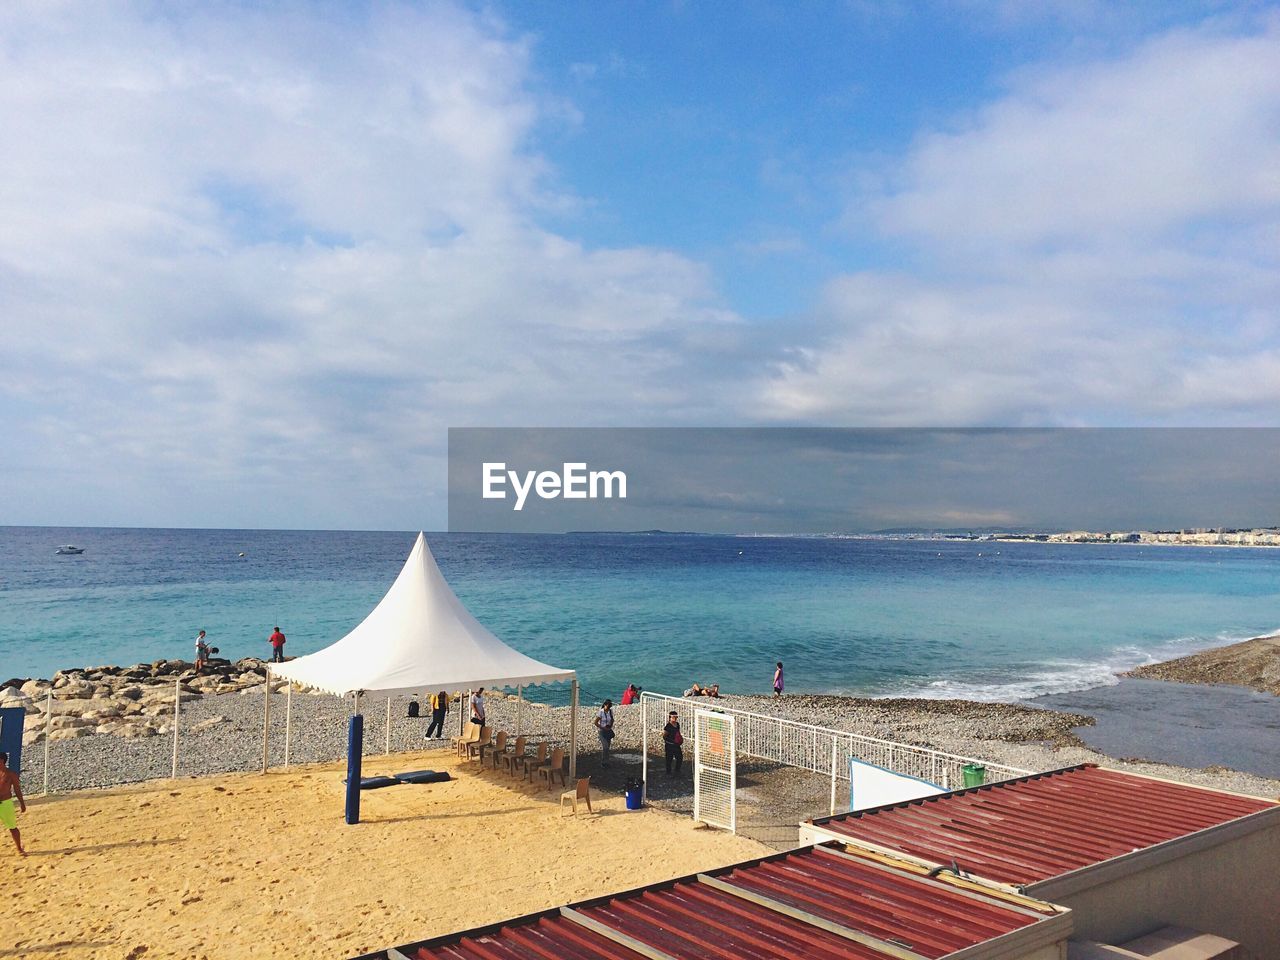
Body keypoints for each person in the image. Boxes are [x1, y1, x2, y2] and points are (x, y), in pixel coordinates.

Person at [0, 752, 26, 857]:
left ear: (3, 761)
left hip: (6, 803)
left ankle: (19, 848)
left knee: (12, 827)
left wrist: (22, 803)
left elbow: (17, 789)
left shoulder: (11, 774)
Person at [662, 711, 683, 776]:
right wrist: (670, 741)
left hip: (676, 745)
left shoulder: (677, 724)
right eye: (673, 717)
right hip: (669, 745)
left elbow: (678, 733)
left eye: (676, 717)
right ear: (670, 718)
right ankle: (668, 772)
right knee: (669, 759)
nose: (675, 718)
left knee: (680, 757)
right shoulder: (668, 726)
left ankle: (677, 770)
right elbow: (664, 736)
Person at [594, 699, 615, 767]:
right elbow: (595, 722)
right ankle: (603, 762)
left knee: (607, 747)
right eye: (608, 707)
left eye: (609, 707)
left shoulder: (610, 711)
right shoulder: (601, 712)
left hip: (608, 730)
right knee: (605, 747)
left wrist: (610, 726)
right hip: (602, 731)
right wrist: (603, 727)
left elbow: (612, 719)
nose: (608, 708)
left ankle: (606, 762)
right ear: (605, 705)